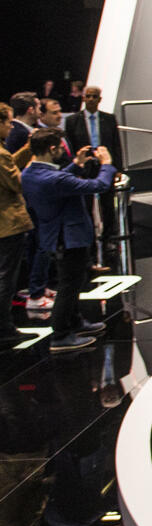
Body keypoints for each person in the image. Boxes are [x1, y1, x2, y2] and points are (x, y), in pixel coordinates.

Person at [21, 129, 115, 352]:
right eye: (60, 148)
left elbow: (60, 182)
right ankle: (61, 335)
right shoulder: (56, 179)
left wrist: (76, 164)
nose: (62, 151)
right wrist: (107, 164)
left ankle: (75, 322)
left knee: (71, 282)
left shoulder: (29, 174)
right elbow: (98, 186)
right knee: (69, 286)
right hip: (70, 236)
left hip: (54, 234)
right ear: (52, 149)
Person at [64, 85, 125, 265]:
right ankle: (89, 239)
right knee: (86, 204)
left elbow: (116, 145)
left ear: (99, 99)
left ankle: (109, 238)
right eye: (87, 96)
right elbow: (71, 147)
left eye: (94, 96)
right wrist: (75, 168)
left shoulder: (109, 119)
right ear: (83, 99)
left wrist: (118, 168)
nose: (90, 99)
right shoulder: (73, 121)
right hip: (85, 167)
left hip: (105, 165)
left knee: (107, 203)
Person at [0, 103, 34, 346]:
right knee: (6, 279)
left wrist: (27, 150)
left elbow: (8, 164)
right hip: (8, 224)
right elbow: (18, 183)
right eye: (8, 123)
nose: (11, 127)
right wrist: (36, 164)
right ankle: (5, 329)